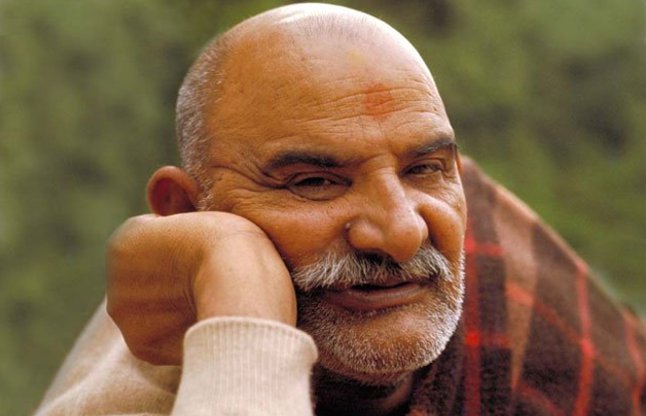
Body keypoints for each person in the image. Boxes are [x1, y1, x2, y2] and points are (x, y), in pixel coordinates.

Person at [36, 3, 645, 415]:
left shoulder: (546, 325)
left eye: (424, 168)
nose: (401, 233)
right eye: (315, 182)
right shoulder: (136, 386)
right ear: (183, 211)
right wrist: (241, 297)